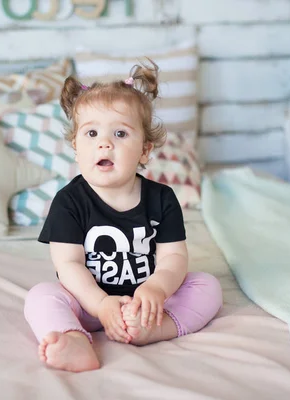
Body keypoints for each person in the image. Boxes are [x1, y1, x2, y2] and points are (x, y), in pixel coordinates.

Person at [24, 59, 223, 373]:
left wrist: (156, 289)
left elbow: (173, 257)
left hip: (148, 304)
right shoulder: (68, 202)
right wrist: (101, 305)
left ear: (144, 150)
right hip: (90, 304)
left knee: (207, 287)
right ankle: (75, 338)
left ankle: (156, 329)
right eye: (91, 133)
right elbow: (69, 265)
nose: (104, 142)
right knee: (41, 296)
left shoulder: (162, 198)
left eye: (119, 133)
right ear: (75, 147)